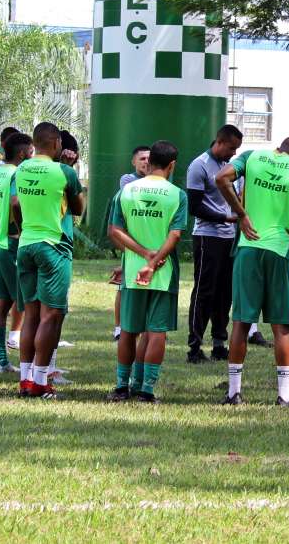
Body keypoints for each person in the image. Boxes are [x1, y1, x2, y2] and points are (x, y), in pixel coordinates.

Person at [215, 137, 289, 406]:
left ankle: (233, 393)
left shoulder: (252, 156)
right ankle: (284, 396)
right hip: (279, 248)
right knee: (281, 327)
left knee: (241, 322)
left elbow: (221, 178)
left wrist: (241, 214)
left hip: (248, 247)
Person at [107, 140, 188, 402]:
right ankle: (145, 390)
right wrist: (155, 262)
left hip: (133, 271)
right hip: (163, 274)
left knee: (129, 330)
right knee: (156, 332)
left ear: (149, 161)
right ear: (172, 165)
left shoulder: (127, 191)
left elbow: (114, 231)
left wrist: (144, 256)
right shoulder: (177, 194)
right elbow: (175, 235)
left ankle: (122, 387)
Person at [14, 122, 84, 399]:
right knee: (50, 316)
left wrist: (22, 231)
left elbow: (16, 206)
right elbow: (78, 209)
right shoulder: (64, 172)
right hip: (53, 246)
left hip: (26, 244)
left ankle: (25, 379)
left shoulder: (21, 169)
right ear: (56, 144)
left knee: (30, 313)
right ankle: (41, 381)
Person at [186, 125, 243, 363]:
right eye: (231, 148)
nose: (233, 153)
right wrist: (224, 217)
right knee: (204, 291)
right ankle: (195, 346)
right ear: (219, 142)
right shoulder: (199, 165)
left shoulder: (231, 167)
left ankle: (219, 343)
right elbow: (195, 206)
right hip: (207, 237)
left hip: (230, 238)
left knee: (225, 293)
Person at [0, 132, 33, 374]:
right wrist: (22, 231)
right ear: (22, 154)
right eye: (31, 153)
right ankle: (30, 365)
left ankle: (1, 362)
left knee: (0, 304)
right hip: (9, 245)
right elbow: (14, 203)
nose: (32, 157)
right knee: (26, 304)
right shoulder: (18, 173)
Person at [113, 145, 151, 342]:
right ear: (133, 162)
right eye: (142, 158)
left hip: (150, 243)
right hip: (131, 239)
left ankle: (147, 327)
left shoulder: (158, 181)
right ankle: (119, 327)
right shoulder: (128, 180)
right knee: (124, 287)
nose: (146, 162)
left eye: (149, 159)